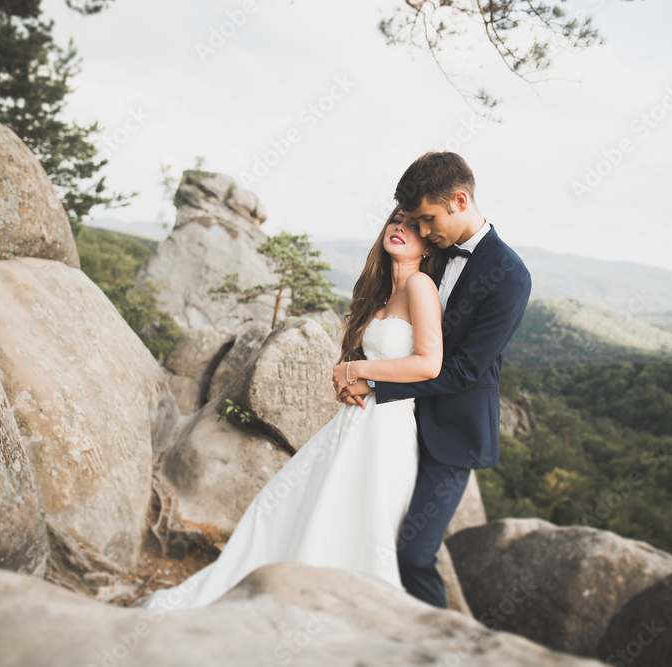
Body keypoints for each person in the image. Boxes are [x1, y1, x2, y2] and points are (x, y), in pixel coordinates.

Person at [141, 206, 448, 612]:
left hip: (386, 431)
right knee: (289, 511)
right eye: (396, 220)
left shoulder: (421, 286)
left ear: (428, 244)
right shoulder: (383, 290)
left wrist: (356, 369)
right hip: (354, 423)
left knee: (359, 524)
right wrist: (357, 382)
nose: (401, 229)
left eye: (413, 226)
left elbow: (429, 364)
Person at [337, 151, 532, 608]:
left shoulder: (510, 276)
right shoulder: (433, 251)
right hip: (395, 426)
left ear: (460, 200)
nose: (422, 231)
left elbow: (465, 369)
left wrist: (374, 384)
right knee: (368, 532)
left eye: (427, 219)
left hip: (452, 435)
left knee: (414, 554)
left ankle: (440, 648)